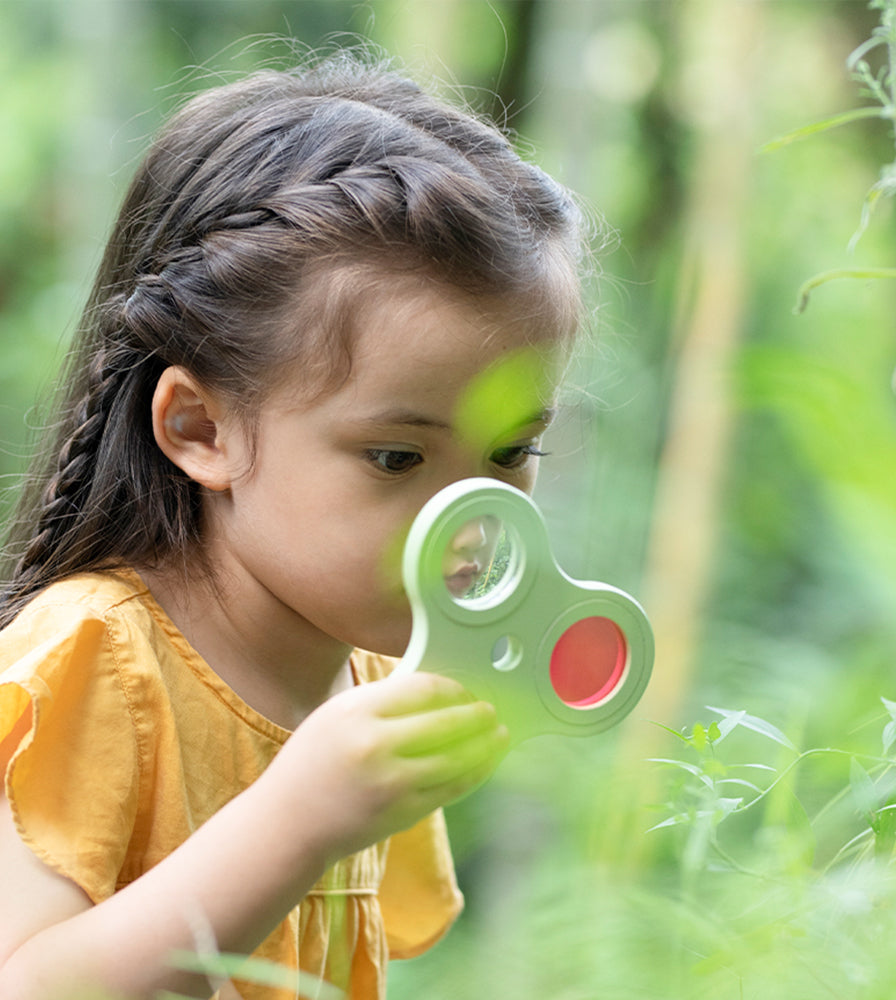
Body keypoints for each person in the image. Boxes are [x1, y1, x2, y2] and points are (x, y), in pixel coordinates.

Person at [0, 48, 585, 1000]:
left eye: (512, 453)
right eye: (398, 459)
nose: (470, 518)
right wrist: (299, 815)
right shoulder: (94, 657)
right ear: (202, 428)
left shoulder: (367, 680)